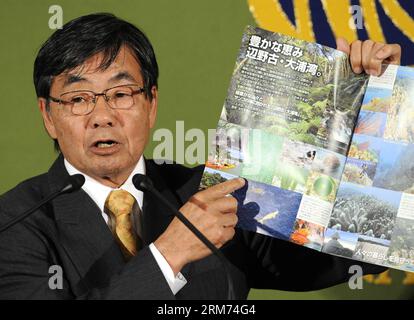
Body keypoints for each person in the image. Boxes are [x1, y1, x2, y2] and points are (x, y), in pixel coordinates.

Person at [0, 13, 401, 299]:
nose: (102, 116)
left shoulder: (214, 192)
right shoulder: (13, 224)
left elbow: (358, 251)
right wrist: (168, 254)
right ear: (48, 116)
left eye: (121, 94)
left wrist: (381, 109)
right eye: (79, 99)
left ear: (151, 104)